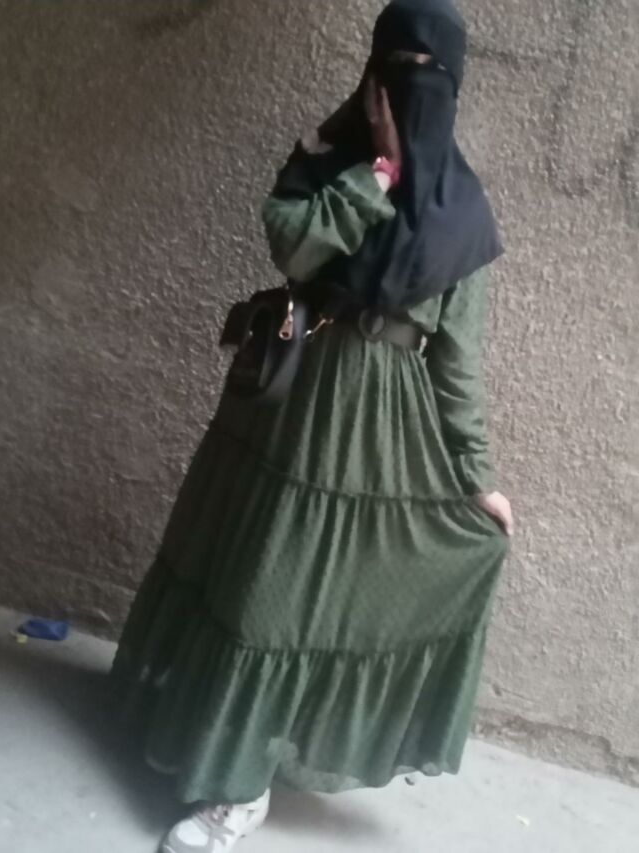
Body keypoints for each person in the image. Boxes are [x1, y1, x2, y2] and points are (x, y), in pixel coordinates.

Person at [111, 1, 513, 850]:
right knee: (249, 583)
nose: (411, 87)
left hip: (374, 437)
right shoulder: (331, 159)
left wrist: (477, 478)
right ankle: (221, 763)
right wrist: (377, 178)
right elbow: (292, 247)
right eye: (396, 67)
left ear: (455, 87)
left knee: (305, 606)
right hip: (285, 408)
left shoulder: (465, 215)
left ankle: (244, 785)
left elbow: (457, 362)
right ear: (371, 79)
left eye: (430, 74)